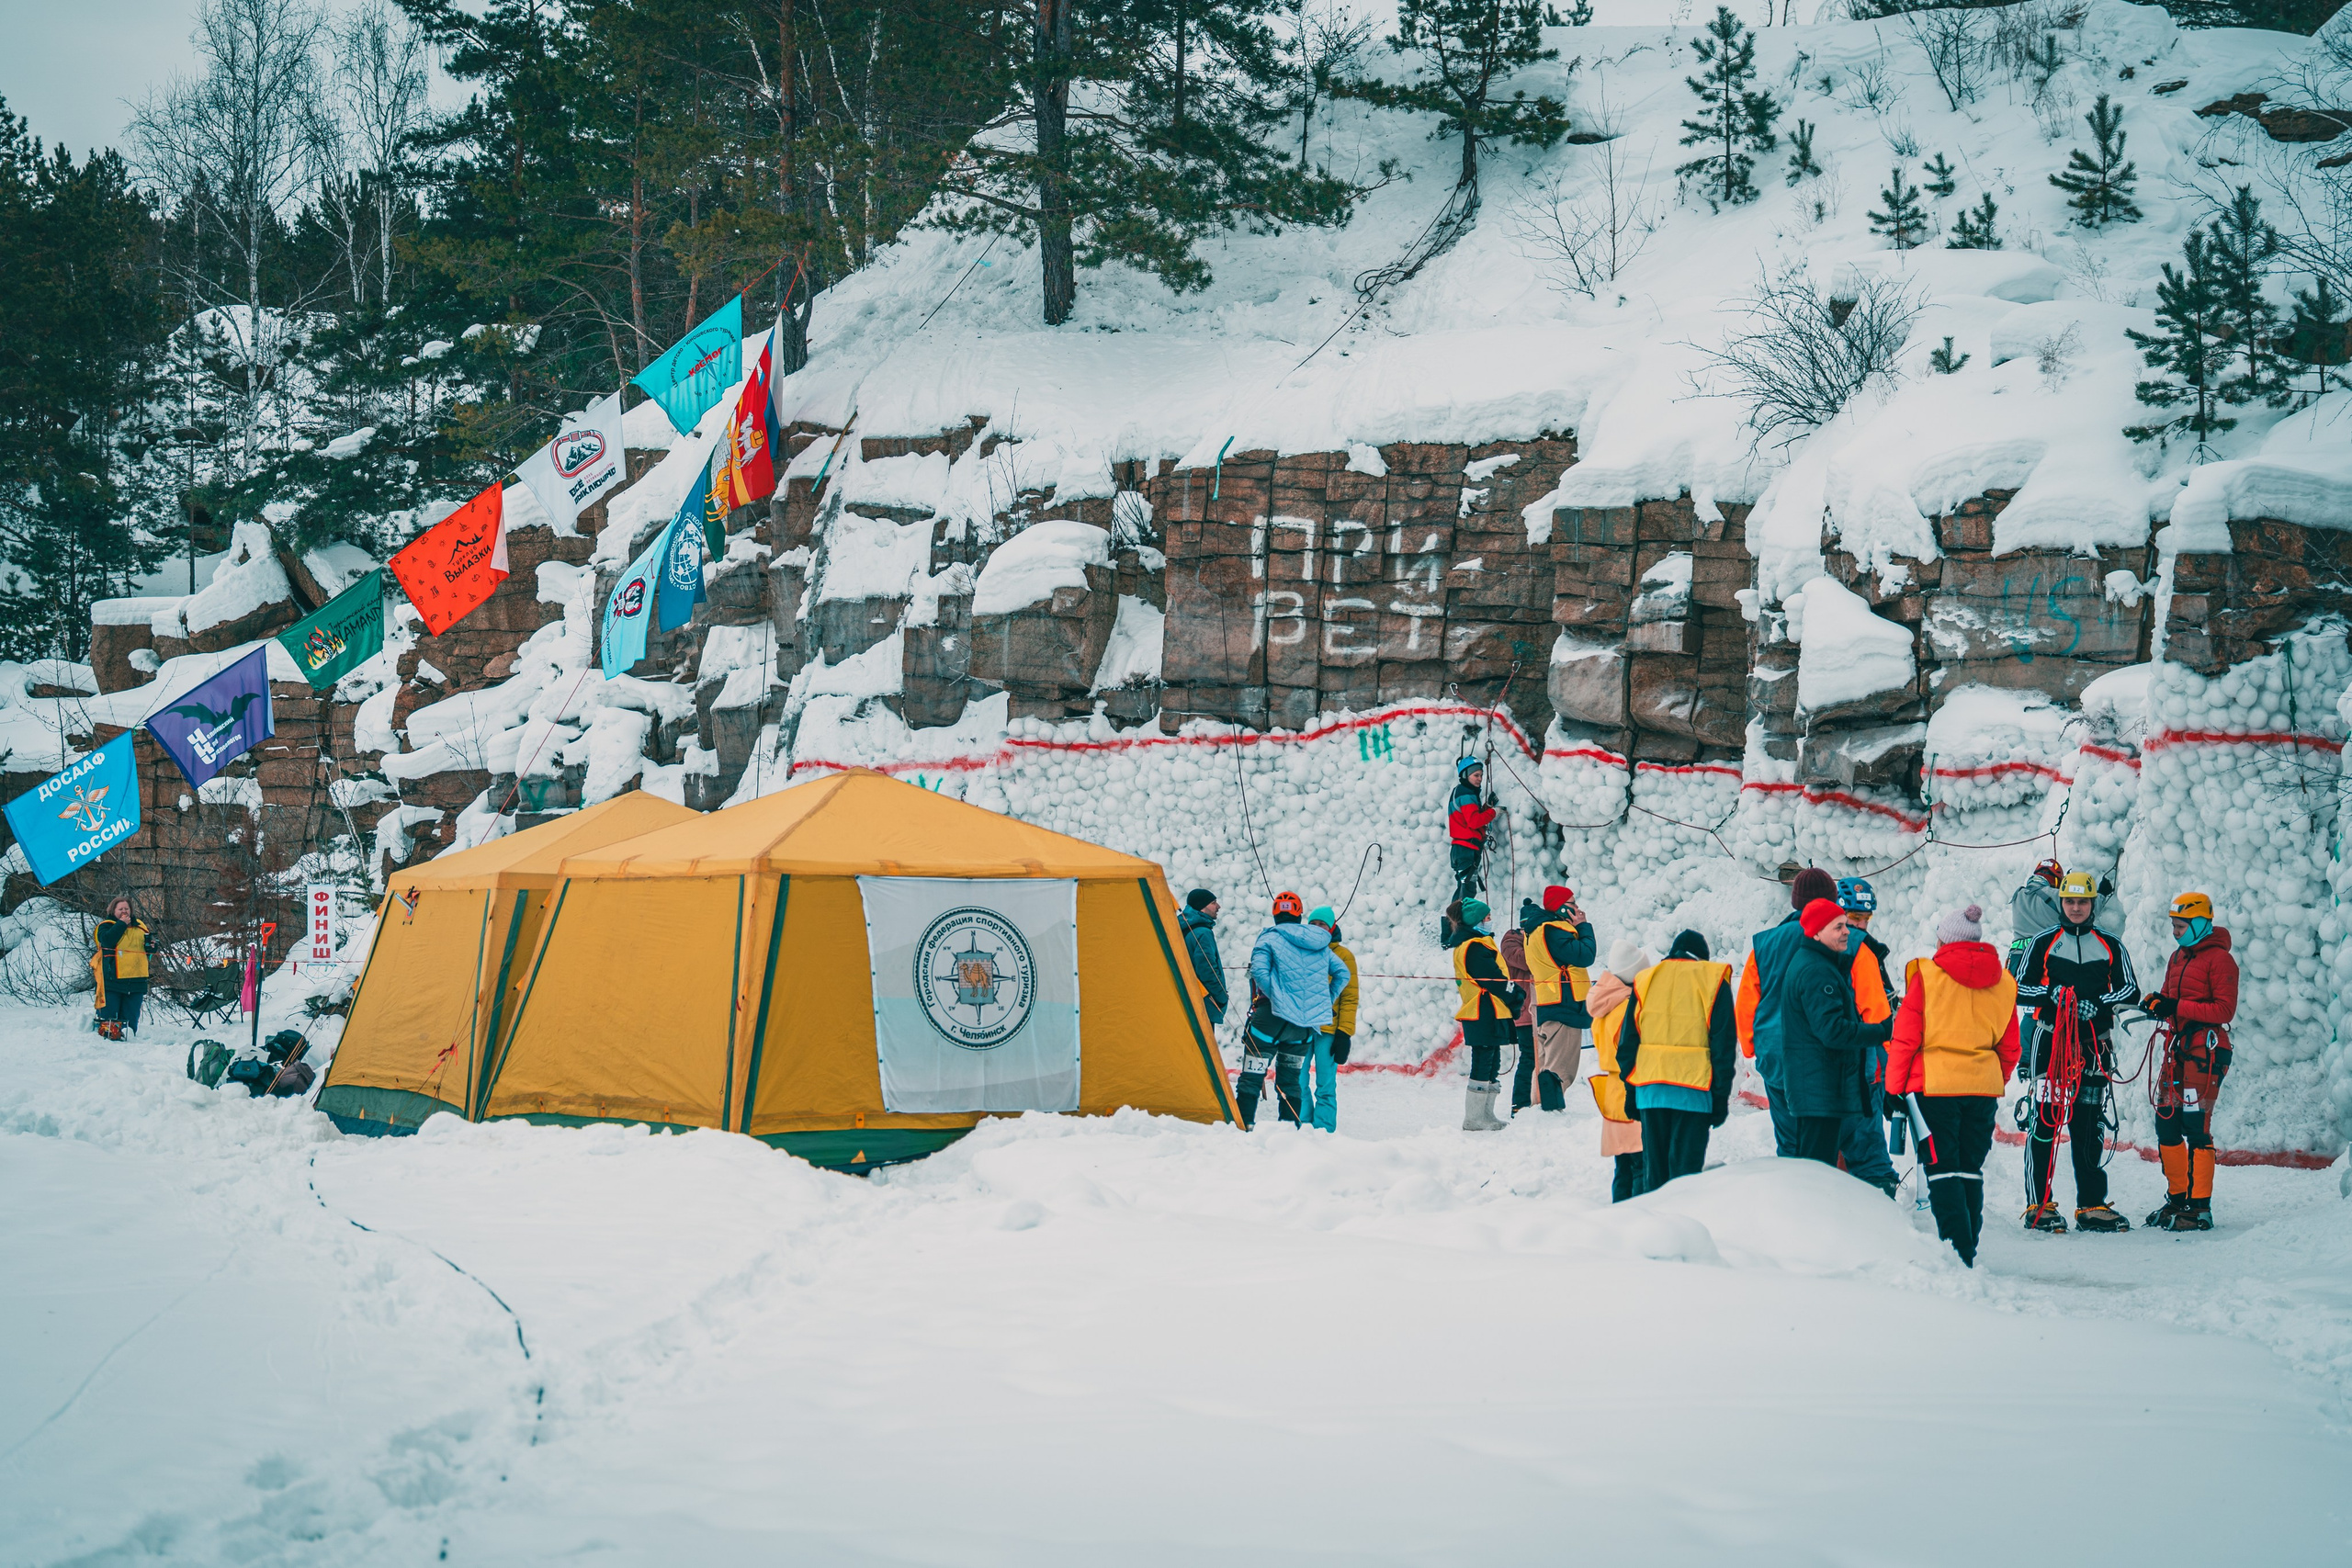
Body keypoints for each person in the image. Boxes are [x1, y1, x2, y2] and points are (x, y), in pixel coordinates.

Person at [1883, 905, 2019, 1267]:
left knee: (1942, 1171)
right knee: (1969, 1169)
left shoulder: (1927, 978)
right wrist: (1993, 1078)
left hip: (1935, 1089)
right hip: (1982, 1090)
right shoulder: (2004, 983)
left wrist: (1893, 1088)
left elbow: (1906, 1039)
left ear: (1944, 940)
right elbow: (2010, 1047)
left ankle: (1958, 1255)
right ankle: (1967, 1247)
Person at [2014, 871, 2141, 1233]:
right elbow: (2018, 987)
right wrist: (2051, 996)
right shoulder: (2042, 942)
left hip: (2093, 1044)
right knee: (2046, 1120)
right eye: (2069, 901)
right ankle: (2039, 1204)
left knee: (2088, 1125)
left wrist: (2098, 1004)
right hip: (2051, 1041)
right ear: (2062, 903)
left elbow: (2129, 989)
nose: (2075, 907)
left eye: (2082, 901)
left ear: (2092, 905)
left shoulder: (2111, 945)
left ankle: (2091, 1205)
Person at [2142, 891, 2238, 1232]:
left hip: (2207, 1052)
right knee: (2166, 1123)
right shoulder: (2177, 957)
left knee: (2197, 1127)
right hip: (2178, 1049)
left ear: (2199, 924)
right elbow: (2173, 998)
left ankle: (2200, 1208)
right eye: (2173, 926)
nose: (2176, 932)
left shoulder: (2221, 960)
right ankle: (2177, 1199)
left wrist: (2175, 1008)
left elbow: (2224, 1010)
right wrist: (2157, 1001)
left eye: (2181, 926)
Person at [1781, 897, 1895, 1173]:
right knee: (1817, 1171)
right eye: (1838, 927)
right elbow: (1832, 1030)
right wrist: (1879, 1032)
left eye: (1846, 925)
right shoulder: (1816, 971)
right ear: (1817, 933)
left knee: (1818, 1167)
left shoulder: (1817, 962)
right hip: (1819, 1091)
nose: (1847, 931)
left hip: (1818, 1088)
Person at [1617, 931, 1736, 1189]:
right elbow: (1723, 1048)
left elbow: (1627, 1044)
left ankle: (1658, 1226)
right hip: (1694, 1094)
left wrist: (1630, 1092)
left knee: (1655, 1178)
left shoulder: (1645, 980)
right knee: (1685, 1181)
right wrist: (1720, 1098)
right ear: (1702, 958)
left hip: (1650, 1094)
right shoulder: (1713, 979)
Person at [1737, 866, 1840, 1156]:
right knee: (1823, 1144)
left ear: (1795, 901)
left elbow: (1747, 1004)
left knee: (1789, 1141)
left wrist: (1752, 1049)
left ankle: (1792, 1191)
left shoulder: (1764, 944)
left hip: (1777, 1055)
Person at [1242, 891, 1351, 1130]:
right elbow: (1343, 973)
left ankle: (1244, 1129)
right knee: (1290, 1081)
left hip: (1269, 1020)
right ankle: (1289, 1132)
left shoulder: (1268, 938)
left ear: (1274, 914)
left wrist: (1279, 999)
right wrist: (1321, 1002)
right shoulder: (1320, 943)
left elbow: (1259, 972)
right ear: (1300, 915)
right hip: (1301, 1029)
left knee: (1251, 1078)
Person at [1834, 877, 1901, 1196]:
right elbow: (1879, 1013)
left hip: (1852, 1059)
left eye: (1865, 919)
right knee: (1864, 1132)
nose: (1860, 925)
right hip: (1863, 1060)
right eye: (1854, 919)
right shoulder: (1862, 952)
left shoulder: (1860, 949)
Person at [1451, 897, 1521, 1132]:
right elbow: (1494, 980)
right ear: (1476, 921)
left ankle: (1486, 1114)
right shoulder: (1474, 947)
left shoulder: (1477, 943)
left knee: (1492, 1061)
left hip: (1490, 1010)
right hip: (1482, 1010)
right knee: (1483, 1061)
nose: (1490, 921)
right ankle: (1474, 1117)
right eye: (1487, 917)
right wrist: (1515, 993)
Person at [1523, 885, 1597, 1111]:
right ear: (1561, 908)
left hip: (1548, 1002)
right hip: (1564, 1004)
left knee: (1544, 1066)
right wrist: (1584, 927)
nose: (1577, 908)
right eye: (1573, 903)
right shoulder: (1555, 929)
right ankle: (1550, 1113)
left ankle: (1539, 1109)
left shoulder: (1535, 930)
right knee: (1560, 1069)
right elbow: (1586, 955)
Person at [1587, 939, 1647, 1201]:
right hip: (1631, 1089)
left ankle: (1620, 1218)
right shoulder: (1627, 1008)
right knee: (1640, 1167)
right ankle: (1638, 1218)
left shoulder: (1606, 1003)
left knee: (1623, 1166)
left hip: (1613, 1092)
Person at [2007, 859, 2122, 975]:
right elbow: (2088, 911)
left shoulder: (2018, 895)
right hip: (2045, 956)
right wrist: (2102, 893)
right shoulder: (2054, 895)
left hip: (2017, 957)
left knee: (2018, 991)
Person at [1305, 906, 1359, 1134]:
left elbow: (1349, 997)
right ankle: (1303, 1126)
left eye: (1322, 925)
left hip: (1329, 1030)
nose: (1317, 929)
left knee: (1325, 1084)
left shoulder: (1343, 956)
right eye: (1313, 924)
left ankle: (1324, 1131)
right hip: (1302, 1027)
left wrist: (1344, 1033)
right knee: (1296, 1080)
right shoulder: (1300, 952)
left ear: (1332, 928)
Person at [92, 896, 151, 1041]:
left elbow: (147, 949)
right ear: (113, 911)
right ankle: (107, 1044)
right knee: (109, 1020)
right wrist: (121, 924)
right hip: (113, 979)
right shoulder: (106, 925)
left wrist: (153, 946)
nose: (124, 911)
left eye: (127, 909)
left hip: (136, 979)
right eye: (120, 909)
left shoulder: (140, 926)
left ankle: (128, 1043)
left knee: (130, 1021)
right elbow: (106, 940)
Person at [1501, 906, 1540, 1113]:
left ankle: (1535, 1099)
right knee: (1529, 1058)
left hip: (1538, 1009)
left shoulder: (1528, 941)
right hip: (1525, 1011)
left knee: (1540, 1058)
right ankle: (1520, 1103)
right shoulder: (1511, 942)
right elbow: (1529, 961)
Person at [1447, 758, 1498, 906]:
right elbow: (1474, 821)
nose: (1480, 779)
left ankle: (1453, 925)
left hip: (1463, 849)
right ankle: (1459, 926)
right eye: (1476, 775)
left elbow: (1469, 818)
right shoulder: (1466, 793)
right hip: (1465, 849)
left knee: (1463, 891)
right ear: (1465, 774)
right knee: (1467, 892)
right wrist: (1494, 812)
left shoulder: (1462, 792)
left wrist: (1487, 807)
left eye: (1481, 775)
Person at [1180, 889, 1228, 1028]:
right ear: (1202, 906)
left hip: (1186, 1000)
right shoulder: (1202, 933)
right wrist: (1221, 997)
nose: (1218, 906)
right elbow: (1207, 970)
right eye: (1213, 903)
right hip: (1204, 1003)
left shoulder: (1182, 928)